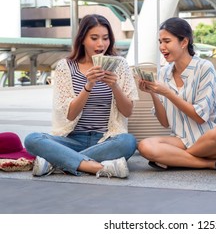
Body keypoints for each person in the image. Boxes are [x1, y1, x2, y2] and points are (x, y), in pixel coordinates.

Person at [24, 14, 138, 179]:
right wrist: (88, 85)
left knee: (128, 142)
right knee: (32, 139)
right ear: (82, 39)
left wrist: (114, 86)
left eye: (105, 38)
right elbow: (69, 114)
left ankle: (57, 162)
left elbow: (127, 112)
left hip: (106, 139)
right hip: (71, 139)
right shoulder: (66, 66)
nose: (101, 44)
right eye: (94, 38)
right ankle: (97, 166)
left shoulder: (120, 65)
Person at [137, 17, 216, 173]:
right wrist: (153, 93)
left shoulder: (205, 68)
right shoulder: (164, 73)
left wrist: (168, 93)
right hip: (181, 141)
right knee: (144, 146)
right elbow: (164, 122)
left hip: (210, 140)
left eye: (167, 41)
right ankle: (212, 164)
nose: (162, 47)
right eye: (160, 42)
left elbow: (199, 116)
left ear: (184, 42)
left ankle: (175, 159)